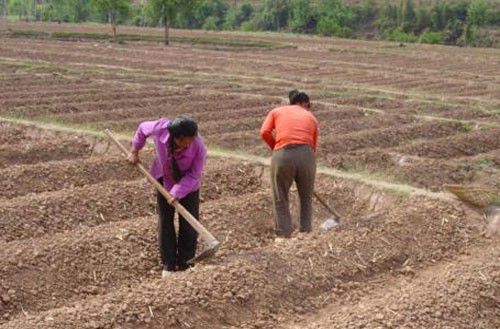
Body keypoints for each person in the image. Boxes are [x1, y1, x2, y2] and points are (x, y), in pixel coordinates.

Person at [129, 116, 207, 277]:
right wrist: (135, 150)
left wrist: (177, 192)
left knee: (188, 222)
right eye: (187, 140)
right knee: (166, 220)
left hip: (189, 185)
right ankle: (169, 263)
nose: (190, 143)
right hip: (164, 178)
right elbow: (142, 128)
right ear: (177, 138)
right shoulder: (160, 129)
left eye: (193, 139)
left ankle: (186, 263)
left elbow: (194, 175)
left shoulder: (199, 147)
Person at [260, 90, 319, 239]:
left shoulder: (276, 111)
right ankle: (305, 233)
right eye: (309, 105)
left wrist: (277, 148)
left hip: (283, 154)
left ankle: (284, 234)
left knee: (280, 196)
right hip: (307, 155)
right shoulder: (311, 117)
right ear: (304, 103)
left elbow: (264, 132)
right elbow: (313, 146)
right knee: (306, 197)